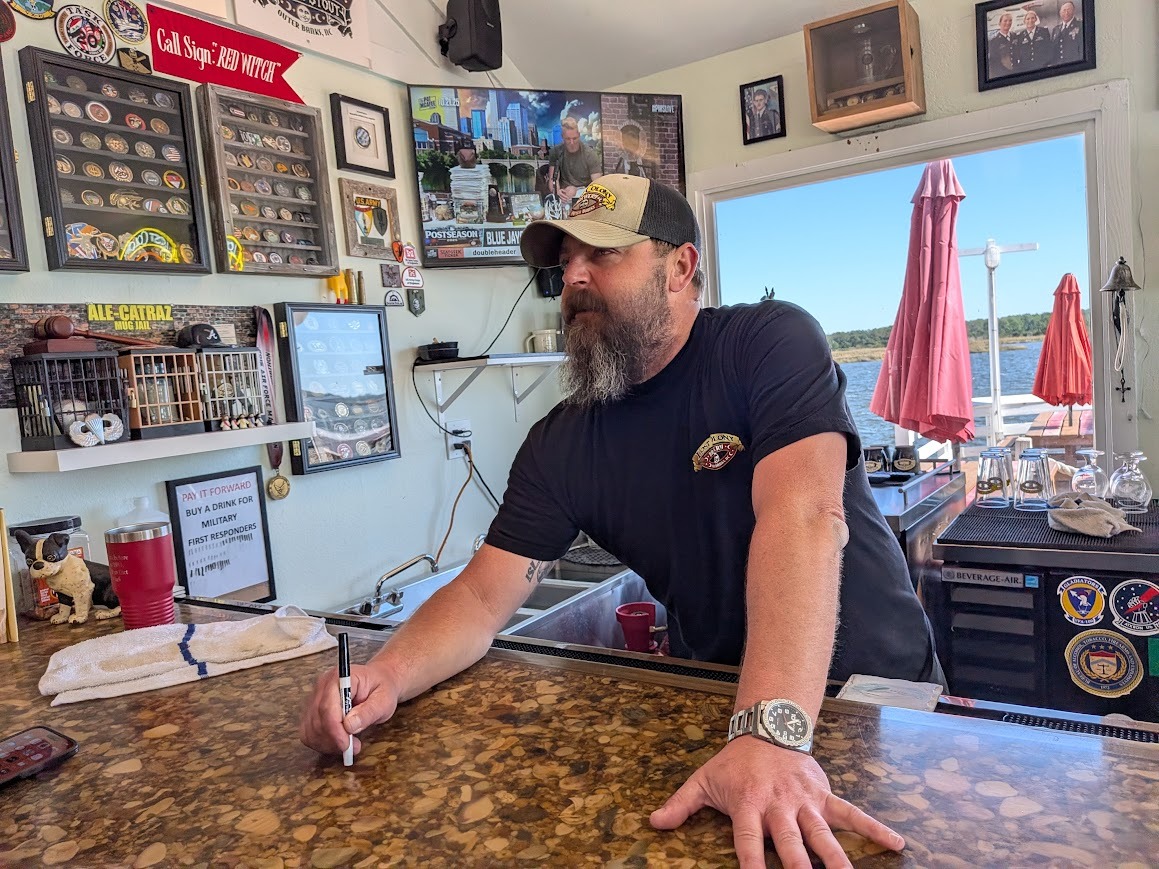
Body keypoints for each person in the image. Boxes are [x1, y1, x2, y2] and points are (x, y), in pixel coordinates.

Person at [301, 173, 942, 868]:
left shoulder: (767, 342)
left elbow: (804, 516)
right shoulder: (563, 443)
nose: (573, 276)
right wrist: (387, 673)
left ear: (679, 267)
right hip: (728, 715)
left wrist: (771, 731)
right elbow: (481, 598)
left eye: (602, 254)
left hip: (874, 701)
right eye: (565, 260)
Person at [547, 117, 602, 202]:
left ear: (579, 135)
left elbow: (598, 185)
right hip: (564, 195)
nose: (572, 143)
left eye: (575, 138)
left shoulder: (590, 154)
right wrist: (557, 191)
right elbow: (553, 180)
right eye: (568, 139)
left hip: (585, 196)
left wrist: (578, 191)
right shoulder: (556, 152)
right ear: (562, 137)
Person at [1052, 1, 1084, 65]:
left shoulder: (1080, 25)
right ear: (1060, 13)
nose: (1066, 13)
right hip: (1059, 66)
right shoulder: (1056, 29)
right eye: (1064, 10)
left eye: (1069, 10)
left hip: (1074, 64)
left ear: (1073, 11)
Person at [987, 11, 1016, 78]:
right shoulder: (994, 41)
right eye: (1005, 21)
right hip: (1003, 73)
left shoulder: (1014, 36)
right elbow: (993, 62)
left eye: (1010, 21)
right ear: (1000, 23)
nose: (1008, 23)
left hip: (1016, 71)